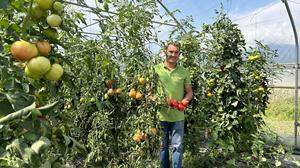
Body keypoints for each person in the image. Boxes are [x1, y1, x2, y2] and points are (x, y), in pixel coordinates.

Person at [154, 42, 193, 168]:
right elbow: (149, 92)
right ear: (165, 52)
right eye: (171, 52)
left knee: (177, 147)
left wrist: (184, 101)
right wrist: (158, 100)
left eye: (176, 52)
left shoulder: (184, 71)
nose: (173, 55)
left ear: (179, 54)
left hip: (178, 115)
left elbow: (189, 92)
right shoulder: (156, 69)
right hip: (161, 115)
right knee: (162, 147)